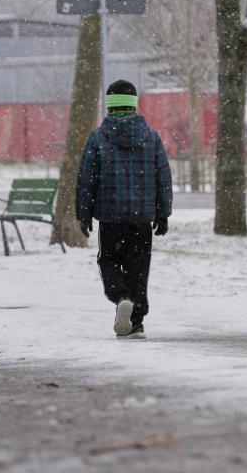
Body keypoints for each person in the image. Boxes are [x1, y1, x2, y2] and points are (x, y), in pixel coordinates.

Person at [76, 80, 173, 340]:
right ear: (134, 105)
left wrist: (83, 214)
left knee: (108, 260)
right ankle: (136, 322)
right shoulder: (151, 137)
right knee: (138, 266)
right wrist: (163, 213)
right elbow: (162, 177)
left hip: (110, 216)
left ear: (109, 106)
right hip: (141, 217)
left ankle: (121, 297)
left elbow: (87, 179)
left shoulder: (97, 138)